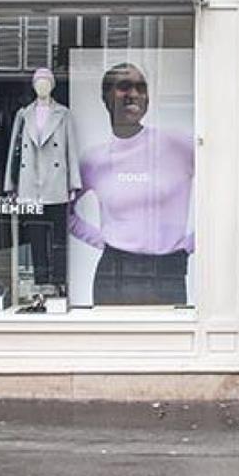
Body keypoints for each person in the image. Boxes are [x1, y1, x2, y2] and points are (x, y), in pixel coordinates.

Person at [70, 62, 194, 305]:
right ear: (106, 97)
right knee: (108, 343)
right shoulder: (94, 159)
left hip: (168, 270)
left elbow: (222, 185)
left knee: (166, 342)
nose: (134, 94)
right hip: (114, 272)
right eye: (124, 87)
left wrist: (188, 245)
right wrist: (104, 241)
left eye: (141, 87)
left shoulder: (179, 145)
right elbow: (63, 211)